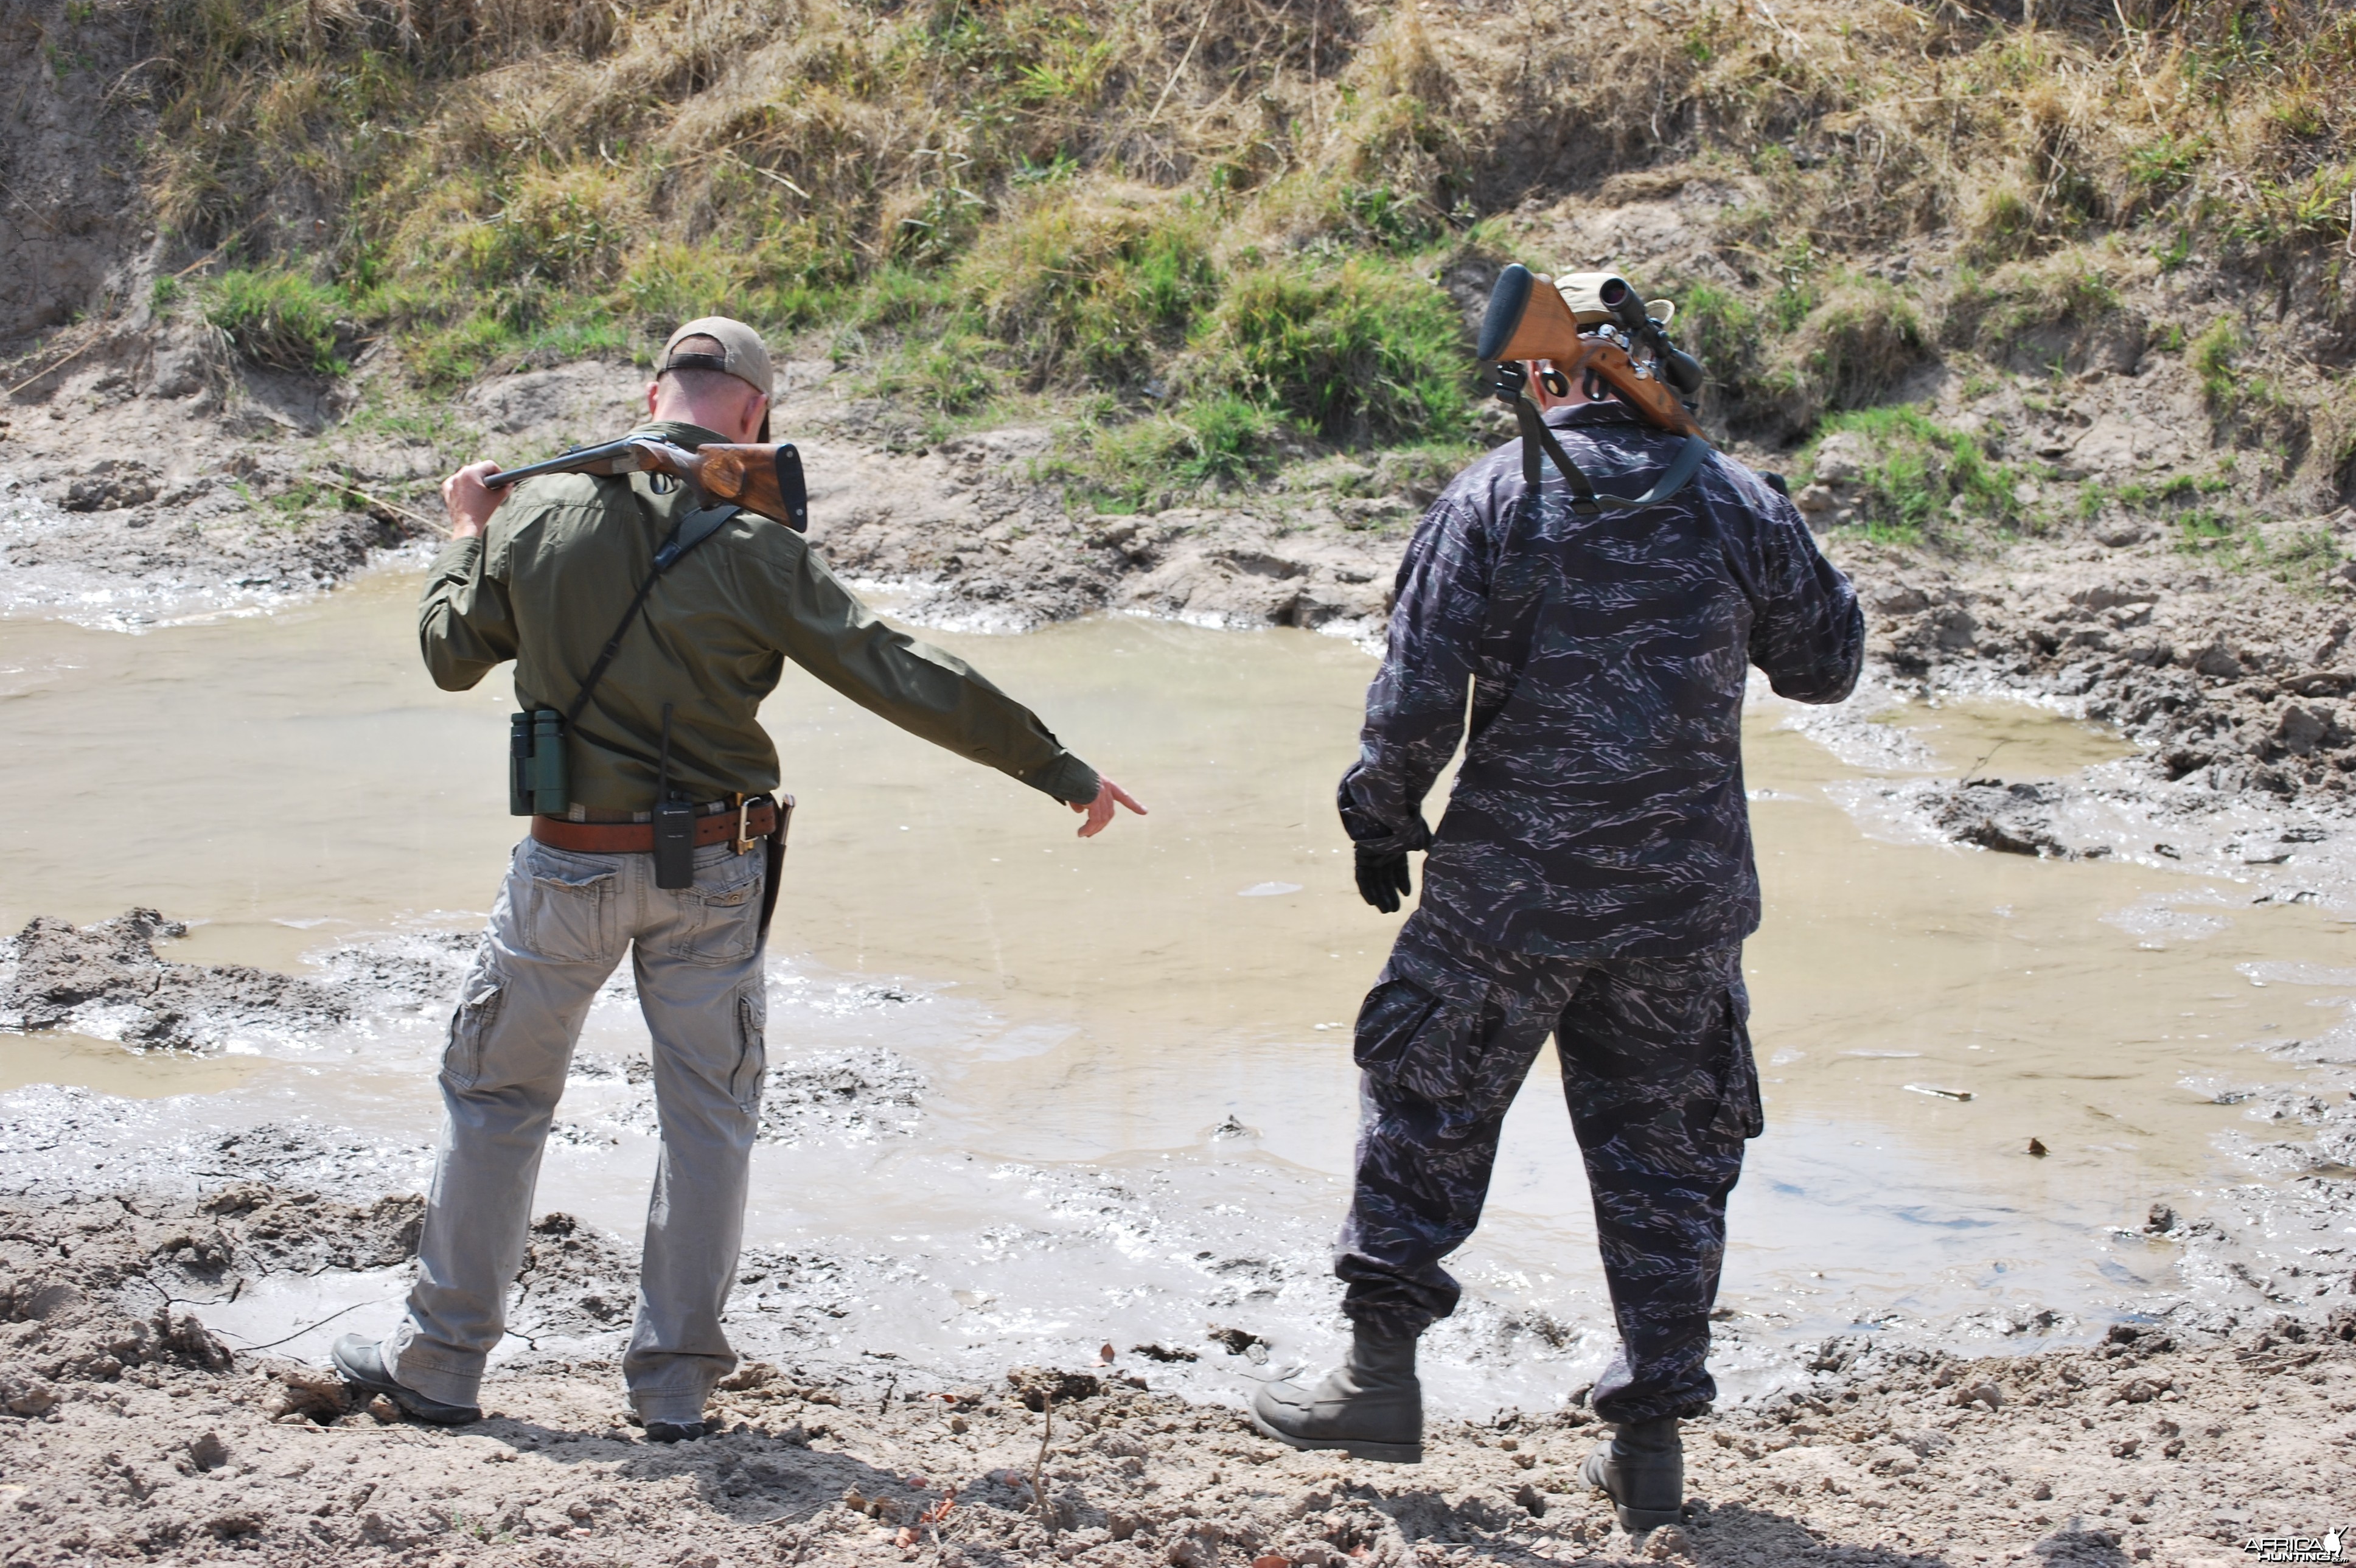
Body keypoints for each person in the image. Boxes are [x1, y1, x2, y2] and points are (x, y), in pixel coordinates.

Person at [332, 316, 1144, 1440]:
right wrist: (1057, 768)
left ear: (653, 389)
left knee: (495, 1099)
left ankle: (440, 1366)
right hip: (717, 868)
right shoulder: (761, 550)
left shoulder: (541, 516)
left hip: (567, 863)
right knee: (708, 1123)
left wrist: (468, 531)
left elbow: (447, 654)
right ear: (755, 415)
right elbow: (899, 671)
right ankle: (671, 1391)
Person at [1250, 286, 1863, 1533]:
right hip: (1678, 907)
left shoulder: (1495, 494)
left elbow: (1415, 693)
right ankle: (1647, 1455)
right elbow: (1828, 664)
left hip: (1505, 898)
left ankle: (1376, 1382)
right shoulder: (1734, 497)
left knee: (1423, 1103)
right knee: (1668, 1166)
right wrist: (1765, 525)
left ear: (1541, 380)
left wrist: (1381, 815)